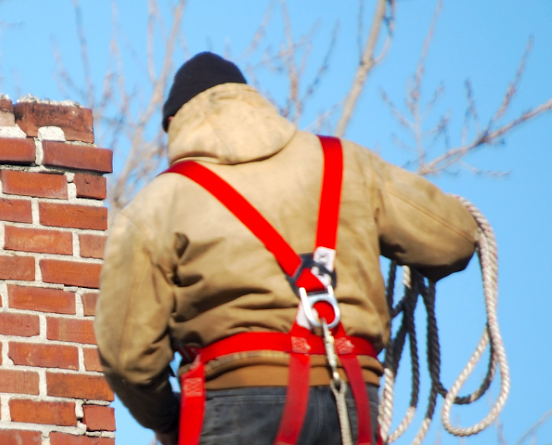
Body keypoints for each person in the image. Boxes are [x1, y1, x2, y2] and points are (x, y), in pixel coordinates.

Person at [94, 52, 479, 445]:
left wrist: (166, 420)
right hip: (350, 400)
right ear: (254, 103)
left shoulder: (158, 203)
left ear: (174, 123)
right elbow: (454, 240)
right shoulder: (347, 164)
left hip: (236, 401)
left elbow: (128, 357)